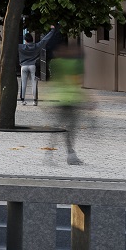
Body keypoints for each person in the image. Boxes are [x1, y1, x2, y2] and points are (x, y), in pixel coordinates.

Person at [45, 32, 85, 164]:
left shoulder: (54, 63)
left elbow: (53, 80)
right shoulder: (75, 63)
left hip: (57, 99)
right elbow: (77, 81)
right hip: (70, 99)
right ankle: (70, 155)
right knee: (69, 128)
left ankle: (49, 154)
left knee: (58, 127)